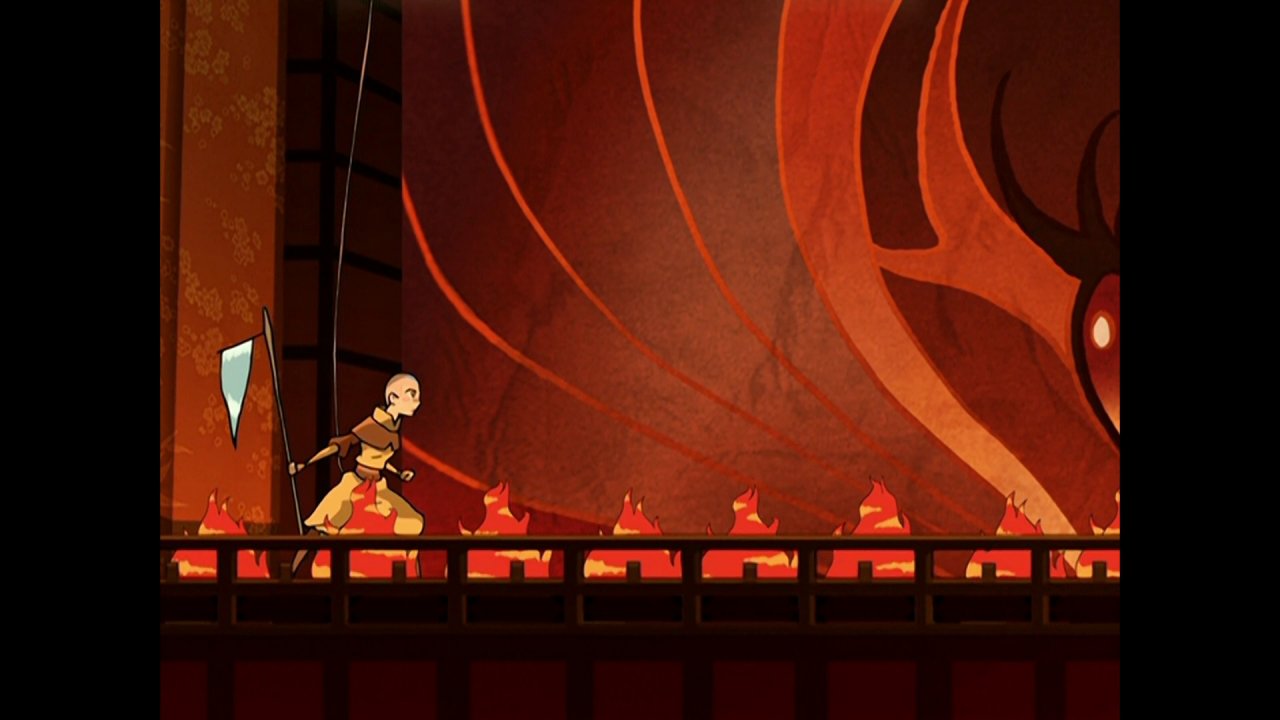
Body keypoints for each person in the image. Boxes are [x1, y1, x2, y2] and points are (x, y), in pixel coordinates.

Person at [289, 373, 426, 574]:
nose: (416, 401)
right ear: (393, 397)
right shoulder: (370, 425)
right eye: (411, 394)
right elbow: (339, 446)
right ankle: (290, 573)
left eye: (417, 396)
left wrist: (398, 473)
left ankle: (414, 579)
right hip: (356, 484)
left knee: (413, 522)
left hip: (379, 487)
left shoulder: (393, 429)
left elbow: (380, 460)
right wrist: (305, 464)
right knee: (323, 524)